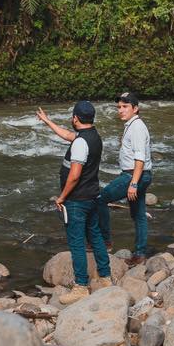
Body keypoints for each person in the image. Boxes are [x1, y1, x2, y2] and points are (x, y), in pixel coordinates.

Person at [36, 100, 109, 303]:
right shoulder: (93, 137)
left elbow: (75, 175)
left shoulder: (81, 143)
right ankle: (105, 277)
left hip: (77, 200)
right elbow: (68, 135)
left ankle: (81, 287)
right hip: (92, 196)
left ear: (75, 118)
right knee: (95, 237)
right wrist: (47, 121)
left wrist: (62, 197)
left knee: (76, 243)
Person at [96, 91, 153, 263]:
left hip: (134, 175)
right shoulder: (132, 125)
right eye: (119, 107)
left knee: (100, 199)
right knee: (139, 215)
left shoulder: (136, 127)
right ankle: (140, 253)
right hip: (139, 175)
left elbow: (140, 158)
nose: (120, 110)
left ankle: (105, 241)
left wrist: (133, 183)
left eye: (125, 106)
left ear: (135, 108)